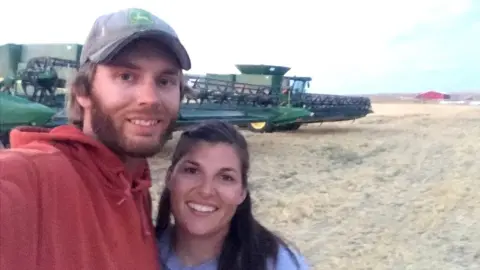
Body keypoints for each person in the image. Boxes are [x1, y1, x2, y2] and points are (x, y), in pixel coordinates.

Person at [0, 7, 191, 270]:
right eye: (126, 76)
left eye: (165, 81)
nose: (150, 98)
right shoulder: (34, 176)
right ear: (82, 91)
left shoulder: (136, 188)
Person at [155, 120, 310, 270]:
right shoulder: (143, 251)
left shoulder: (278, 264)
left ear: (242, 192)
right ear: (169, 177)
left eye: (226, 178)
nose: (206, 191)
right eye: (192, 171)